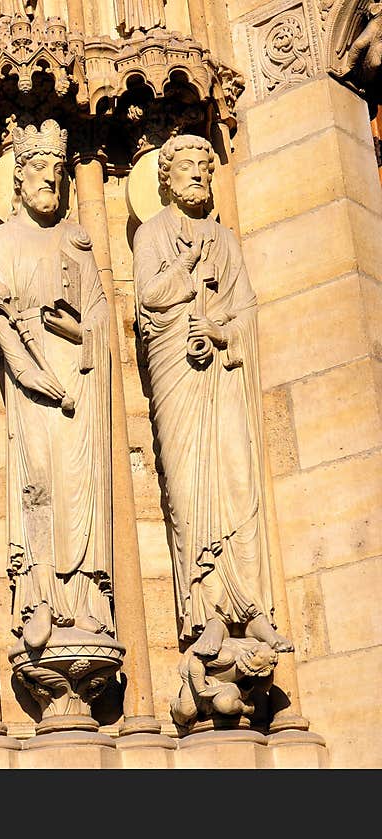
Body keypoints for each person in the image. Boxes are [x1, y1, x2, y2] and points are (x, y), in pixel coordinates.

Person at [132, 134, 293, 659]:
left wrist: (220, 332)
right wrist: (187, 270)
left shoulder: (225, 240)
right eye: (187, 167)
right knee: (187, 487)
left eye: (205, 167)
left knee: (240, 480)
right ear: (166, 178)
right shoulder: (152, 235)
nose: (198, 175)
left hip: (224, 376)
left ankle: (253, 610)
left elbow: (246, 308)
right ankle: (205, 613)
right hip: (178, 376)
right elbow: (148, 300)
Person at [0, 119, 114, 651]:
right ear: (18, 178)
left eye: (58, 170)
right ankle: (39, 595)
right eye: (38, 168)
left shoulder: (77, 240)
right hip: (36, 388)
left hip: (80, 383)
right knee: (37, 483)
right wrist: (33, 375)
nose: (50, 179)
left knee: (80, 485)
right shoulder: (4, 238)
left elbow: (103, 312)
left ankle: (84, 598)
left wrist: (81, 330)